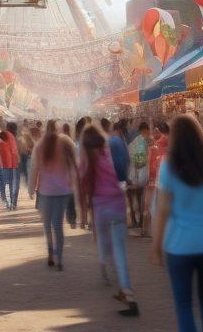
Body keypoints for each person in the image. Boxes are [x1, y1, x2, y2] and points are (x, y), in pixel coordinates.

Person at [152, 114, 203, 332]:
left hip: (178, 246)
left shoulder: (168, 166)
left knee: (184, 306)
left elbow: (162, 210)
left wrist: (156, 245)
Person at [79, 124, 139, 317]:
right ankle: (126, 290)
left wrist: (82, 215)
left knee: (106, 245)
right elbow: (122, 172)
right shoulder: (109, 153)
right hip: (118, 206)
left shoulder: (86, 160)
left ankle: (108, 269)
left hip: (101, 210)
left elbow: (82, 187)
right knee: (121, 251)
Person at [31, 121, 79, 270]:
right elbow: (73, 164)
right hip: (62, 190)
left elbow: (34, 168)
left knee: (47, 224)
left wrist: (32, 188)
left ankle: (51, 253)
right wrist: (73, 183)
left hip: (46, 191)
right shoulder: (65, 142)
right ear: (57, 130)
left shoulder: (39, 145)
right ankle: (60, 258)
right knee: (58, 225)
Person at [127, 122, 150, 233]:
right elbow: (139, 160)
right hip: (138, 173)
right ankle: (140, 221)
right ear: (144, 130)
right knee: (140, 198)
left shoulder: (134, 142)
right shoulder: (141, 141)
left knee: (133, 199)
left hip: (131, 174)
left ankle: (134, 220)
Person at [0, 128, 19, 211]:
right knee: (10, 185)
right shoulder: (10, 141)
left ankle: (6, 202)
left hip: (2, 166)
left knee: (3, 185)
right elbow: (14, 152)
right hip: (11, 166)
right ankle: (11, 203)